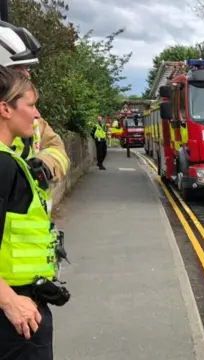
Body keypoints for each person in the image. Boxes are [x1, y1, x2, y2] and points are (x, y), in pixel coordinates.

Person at [0, 65, 70, 360]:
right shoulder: (3, 165)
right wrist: (9, 301)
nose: (37, 113)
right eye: (30, 105)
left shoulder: (15, 152)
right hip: (16, 309)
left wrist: (45, 165)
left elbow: (57, 150)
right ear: (5, 108)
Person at [0, 21, 70, 189]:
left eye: (27, 69)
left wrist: (43, 166)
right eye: (18, 69)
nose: (27, 75)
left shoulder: (32, 120)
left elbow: (57, 149)